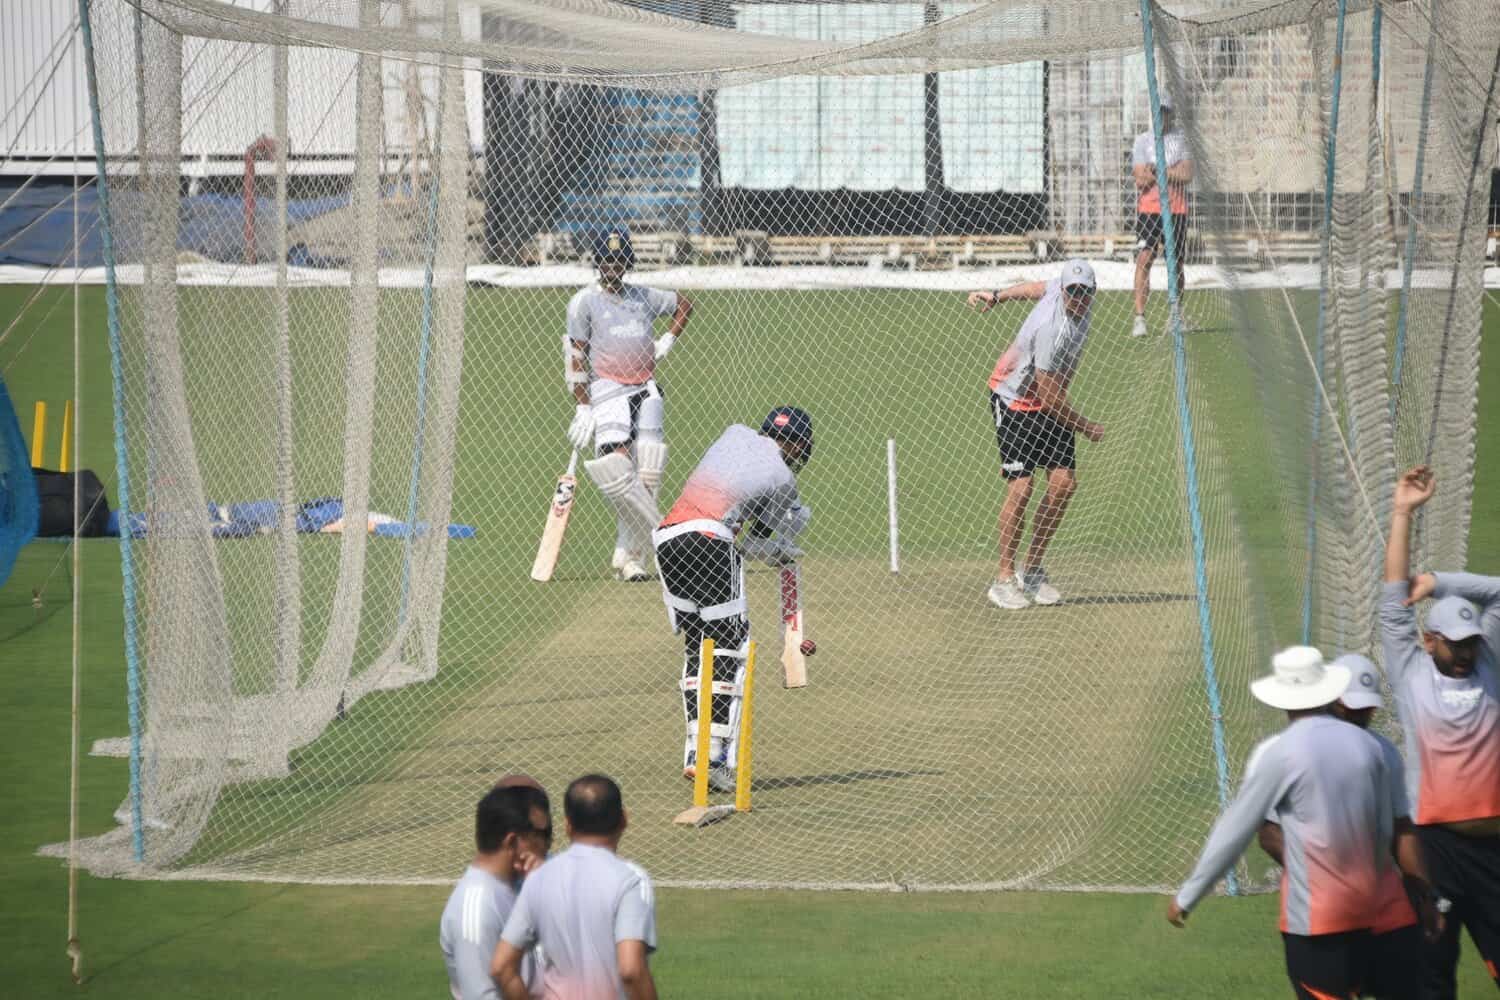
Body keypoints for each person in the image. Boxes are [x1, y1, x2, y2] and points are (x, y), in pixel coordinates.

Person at [1167, 646, 1442, 1000]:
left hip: (1320, 920)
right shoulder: (1376, 749)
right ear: (1329, 693)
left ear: (1283, 698)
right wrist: (1429, 897)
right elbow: (1399, 827)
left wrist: (1188, 896)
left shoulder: (1281, 753)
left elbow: (1234, 831)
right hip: (1385, 911)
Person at [1380, 464, 1500, 996]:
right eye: (1455, 643)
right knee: (1432, 975)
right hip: (1435, 849)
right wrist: (1403, 512)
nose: (1466, 651)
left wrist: (1440, 582)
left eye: (1472, 640)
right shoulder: (1410, 674)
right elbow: (1391, 600)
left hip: (1496, 848)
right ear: (1429, 641)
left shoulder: (1491, 663)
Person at [651, 408, 812, 790]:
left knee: (697, 647)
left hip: (668, 539)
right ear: (800, 446)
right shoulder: (784, 478)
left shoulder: (734, 433)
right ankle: (714, 758)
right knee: (730, 647)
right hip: (711, 540)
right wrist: (783, 551)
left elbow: (733, 519)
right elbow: (755, 541)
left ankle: (696, 754)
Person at [1257, 655, 1435, 1000]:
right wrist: (1324, 877)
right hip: (1325, 914)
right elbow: (1269, 833)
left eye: (1367, 709)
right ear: (1329, 699)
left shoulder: (1383, 752)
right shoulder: (1294, 751)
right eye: (1351, 708)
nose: (1360, 717)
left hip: (1386, 906)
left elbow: (1403, 829)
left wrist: (1426, 895)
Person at [968, 258, 1103, 610]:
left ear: (1092, 292)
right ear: (1065, 291)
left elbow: (1034, 287)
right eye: (1072, 292)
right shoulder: (1052, 329)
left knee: (1063, 484)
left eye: (1083, 292)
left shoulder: (1067, 297)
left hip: (1049, 401)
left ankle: (1033, 570)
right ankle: (1003, 579)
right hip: (1014, 400)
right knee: (1022, 487)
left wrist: (998, 295)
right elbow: (1048, 395)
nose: (1077, 298)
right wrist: (1086, 427)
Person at [563, 227, 694, 581]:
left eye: (619, 260)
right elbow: (575, 353)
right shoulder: (584, 301)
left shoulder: (643, 296)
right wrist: (582, 404)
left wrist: (668, 338)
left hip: (646, 387)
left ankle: (631, 553)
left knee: (648, 472)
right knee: (618, 469)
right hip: (607, 390)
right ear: (597, 263)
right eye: (606, 260)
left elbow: (684, 304)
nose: (612, 266)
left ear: (627, 263)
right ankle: (659, 539)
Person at [493, 775, 658, 1000]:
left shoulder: (539, 878)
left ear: (568, 825)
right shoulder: (631, 879)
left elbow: (501, 967)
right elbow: (631, 970)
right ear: (624, 820)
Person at [439, 785, 553, 1000]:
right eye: (542, 834)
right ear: (512, 842)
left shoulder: (520, 886)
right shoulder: (476, 908)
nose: (548, 843)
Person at [1130, 97, 1193, 338]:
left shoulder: (1182, 140)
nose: (1161, 116)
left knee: (1175, 263)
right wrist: (1169, 171)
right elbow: (1140, 179)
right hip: (1149, 210)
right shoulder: (1142, 141)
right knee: (1144, 259)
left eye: (1165, 112)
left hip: (1176, 209)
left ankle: (1176, 314)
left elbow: (1186, 174)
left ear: (1171, 114)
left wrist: (1157, 169)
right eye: (1157, 111)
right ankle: (1139, 318)